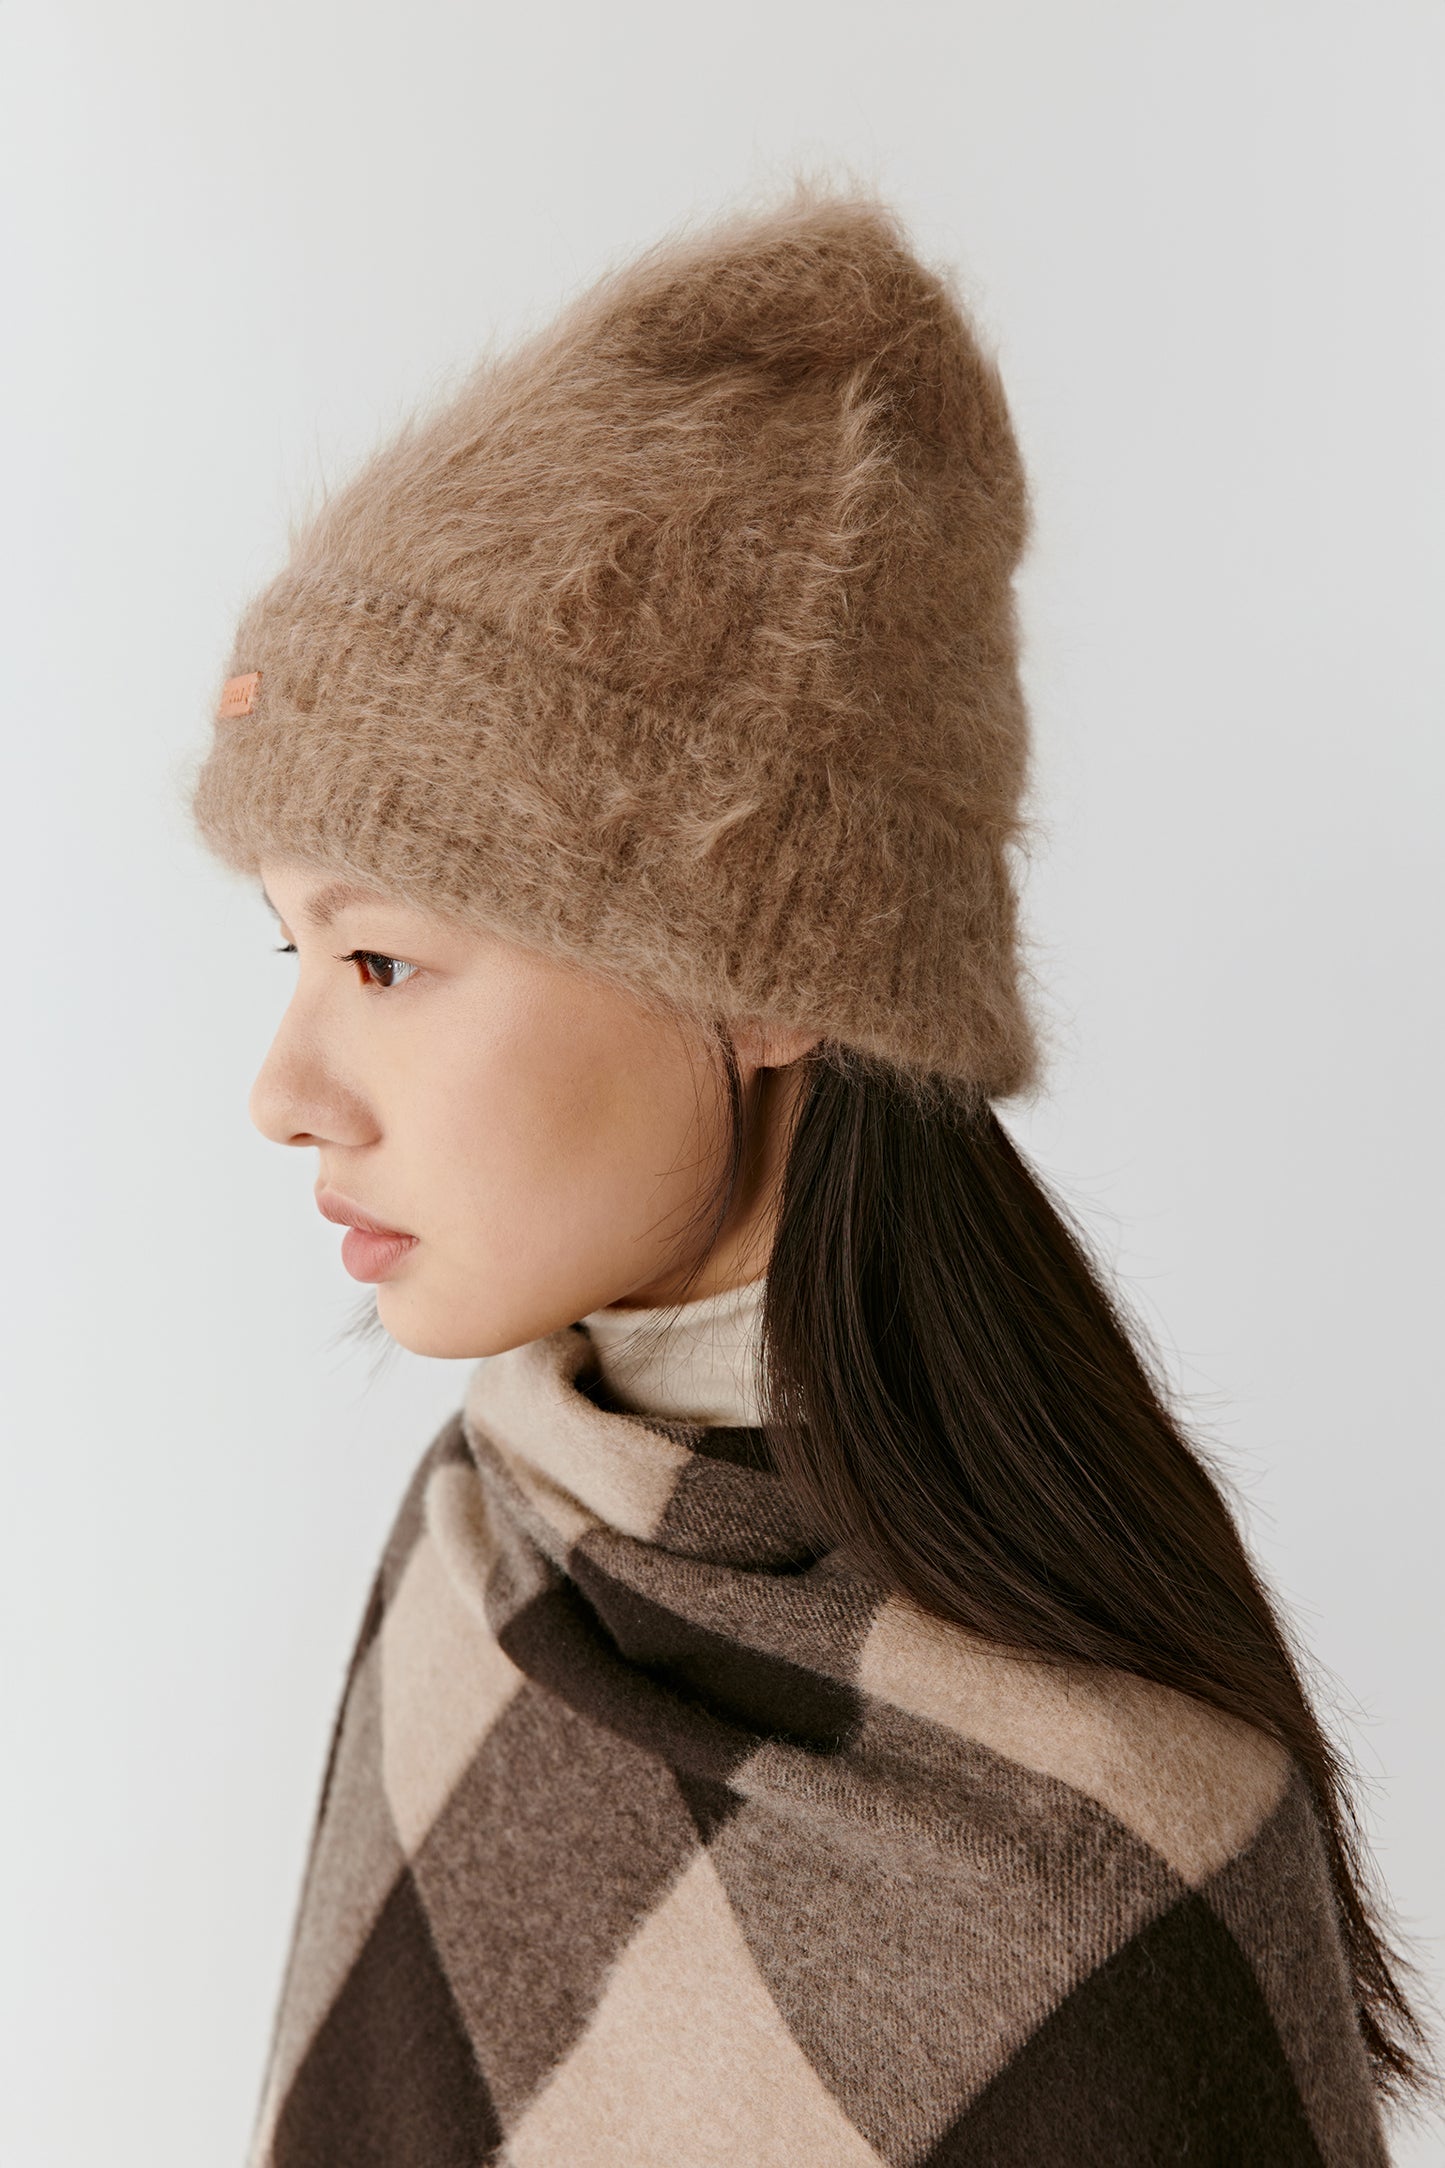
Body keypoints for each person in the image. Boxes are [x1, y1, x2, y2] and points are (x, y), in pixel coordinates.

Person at [186, 180, 1427, 2166]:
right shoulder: (488, 1551)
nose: (287, 1086)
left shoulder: (1115, 1842)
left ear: (769, 979)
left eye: (389, 958)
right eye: (293, 954)